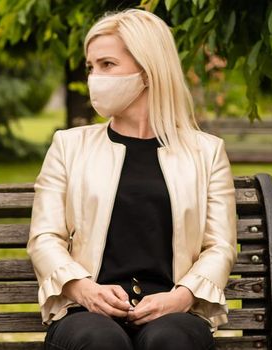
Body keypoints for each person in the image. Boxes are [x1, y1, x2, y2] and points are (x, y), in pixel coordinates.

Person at [28, 9, 236, 350]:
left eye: (107, 65)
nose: (95, 77)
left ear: (148, 70)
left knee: (170, 341)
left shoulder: (206, 153)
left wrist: (182, 297)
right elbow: (45, 238)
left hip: (174, 312)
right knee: (99, 341)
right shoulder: (69, 146)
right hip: (87, 311)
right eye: (91, 67)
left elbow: (220, 246)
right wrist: (83, 289)